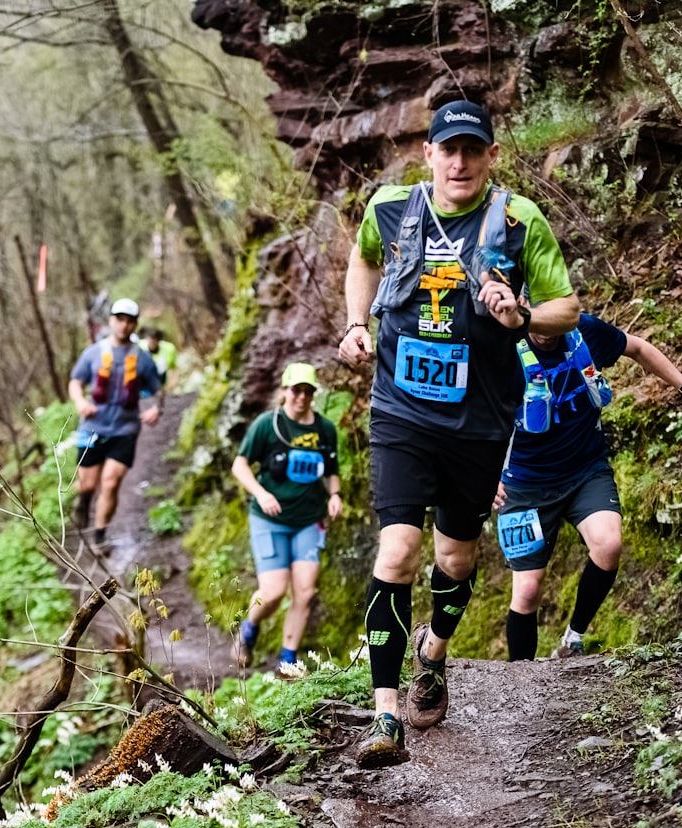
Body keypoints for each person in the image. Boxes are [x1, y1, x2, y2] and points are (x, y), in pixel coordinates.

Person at [339, 98, 581, 768]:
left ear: (491, 156)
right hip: (400, 411)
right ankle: (385, 714)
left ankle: (434, 649)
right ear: (429, 154)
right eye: (449, 149)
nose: (460, 161)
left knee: (456, 560)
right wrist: (357, 322)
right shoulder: (389, 209)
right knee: (396, 553)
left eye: (473, 149)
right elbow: (363, 259)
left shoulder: (515, 218)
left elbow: (569, 307)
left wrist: (523, 310)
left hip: (478, 421)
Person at [495, 313, 682, 659]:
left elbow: (639, 348)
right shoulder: (499, 346)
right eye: (541, 322)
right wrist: (481, 473)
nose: (549, 332)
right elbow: (468, 408)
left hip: (585, 471)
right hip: (524, 486)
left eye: (556, 321)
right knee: (527, 591)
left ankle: (573, 638)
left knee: (609, 545)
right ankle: (521, 684)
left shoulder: (584, 331)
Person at [230, 363, 343, 675]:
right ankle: (250, 628)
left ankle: (287, 662)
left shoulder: (324, 429)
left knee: (305, 591)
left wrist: (335, 495)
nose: (302, 397)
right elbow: (240, 465)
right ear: (285, 391)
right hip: (270, 520)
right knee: (273, 592)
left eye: (309, 391)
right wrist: (261, 492)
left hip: (309, 520)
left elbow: (332, 471)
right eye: (297, 390)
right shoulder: (268, 425)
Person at [68, 298, 163, 546]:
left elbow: (157, 389)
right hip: (92, 428)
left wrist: (156, 408)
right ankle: (84, 501)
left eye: (129, 321)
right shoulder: (93, 353)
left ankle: (100, 536)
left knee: (110, 484)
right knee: (87, 484)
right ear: (111, 320)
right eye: (119, 319)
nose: (124, 325)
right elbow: (75, 381)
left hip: (125, 429)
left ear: (135, 325)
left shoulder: (142, 359)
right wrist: (80, 402)